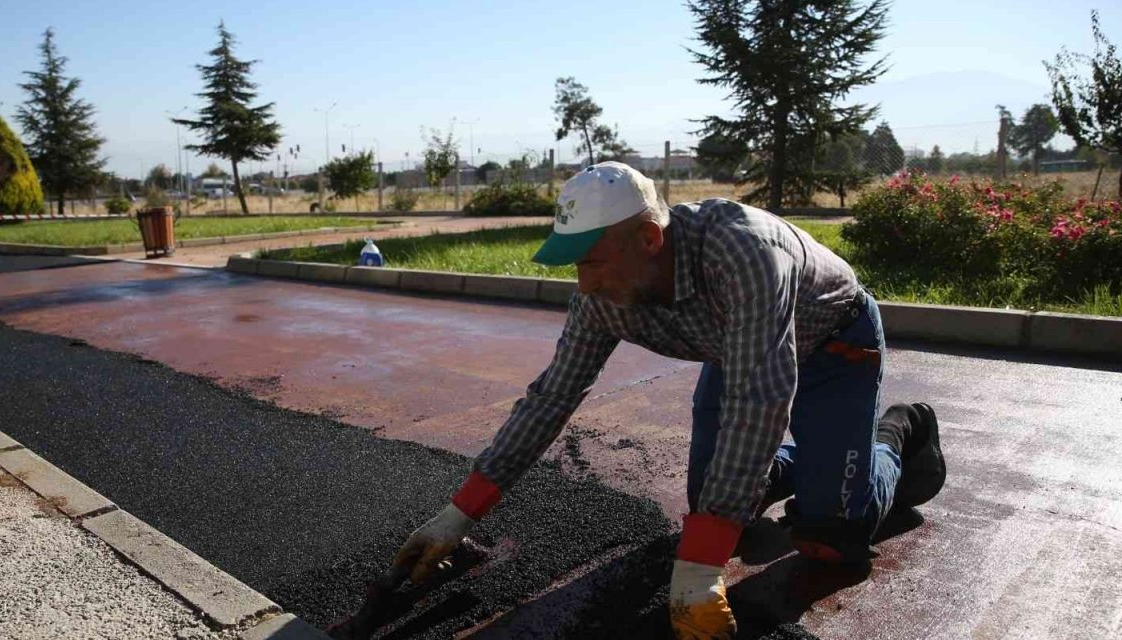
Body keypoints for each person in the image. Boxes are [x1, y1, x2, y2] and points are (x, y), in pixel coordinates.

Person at [392, 162, 946, 639]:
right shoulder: (603, 296)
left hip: (832, 344)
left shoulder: (743, 252)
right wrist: (460, 512)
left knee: (831, 538)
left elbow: (760, 400)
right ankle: (801, 464)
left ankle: (898, 434)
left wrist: (702, 566)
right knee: (712, 502)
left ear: (649, 240)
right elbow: (552, 397)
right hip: (740, 351)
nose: (583, 285)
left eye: (592, 262)